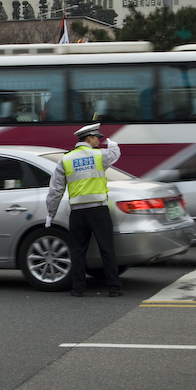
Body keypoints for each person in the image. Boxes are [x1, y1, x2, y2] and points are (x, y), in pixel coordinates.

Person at [45, 123, 123, 297]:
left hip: (78, 213)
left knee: (78, 251)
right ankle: (114, 288)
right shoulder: (99, 156)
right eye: (97, 138)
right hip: (98, 211)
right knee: (107, 249)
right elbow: (115, 154)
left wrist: (51, 213)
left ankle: (78, 289)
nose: (99, 141)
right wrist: (113, 144)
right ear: (89, 138)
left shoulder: (65, 159)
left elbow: (56, 190)